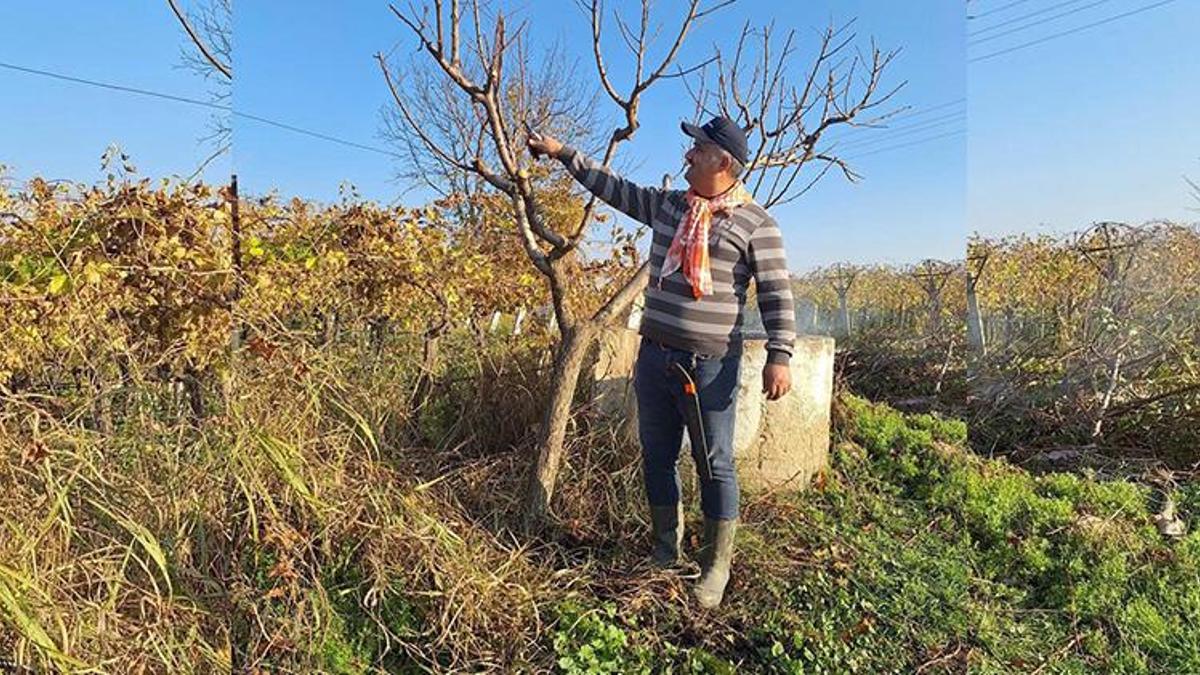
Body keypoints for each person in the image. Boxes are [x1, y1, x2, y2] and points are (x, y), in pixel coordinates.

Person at [527, 116, 796, 609]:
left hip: (710, 364)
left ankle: (716, 566)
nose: (688, 155)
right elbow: (614, 188)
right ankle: (664, 550)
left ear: (724, 162)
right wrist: (564, 153)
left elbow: (777, 294)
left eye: (697, 149)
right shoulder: (671, 206)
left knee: (714, 463)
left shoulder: (757, 223)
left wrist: (780, 355)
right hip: (653, 355)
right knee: (656, 454)